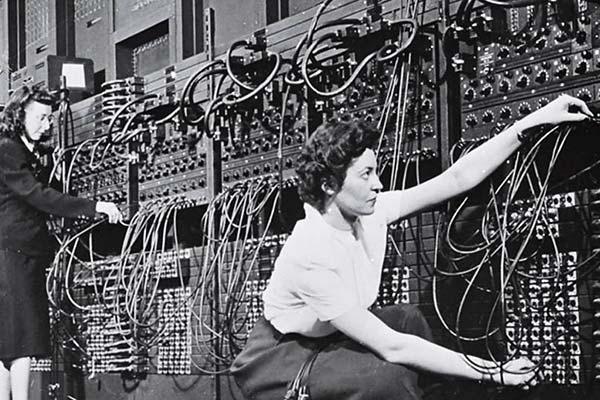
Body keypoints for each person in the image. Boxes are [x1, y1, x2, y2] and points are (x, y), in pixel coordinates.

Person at [230, 94, 593, 399]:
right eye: (366, 175)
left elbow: (456, 178)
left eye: (376, 171)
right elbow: (392, 346)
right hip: (283, 354)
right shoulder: (309, 251)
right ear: (329, 185)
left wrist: (531, 123)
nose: (378, 184)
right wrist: (492, 371)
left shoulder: (370, 212)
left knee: (409, 319)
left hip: (331, 334)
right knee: (386, 381)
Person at [0, 85, 122, 400]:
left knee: (9, 341)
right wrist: (94, 207)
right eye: (40, 118)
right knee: (21, 337)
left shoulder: (25, 153)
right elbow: (37, 195)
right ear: (19, 116)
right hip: (14, 253)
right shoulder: (8, 149)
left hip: (18, 252)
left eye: (50, 118)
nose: (47, 124)